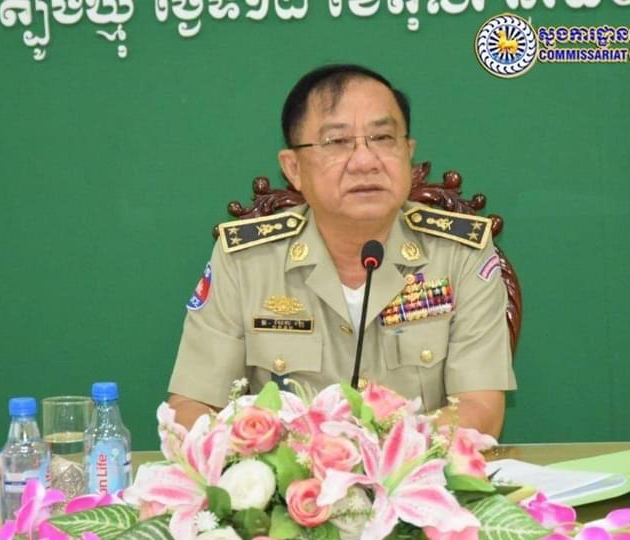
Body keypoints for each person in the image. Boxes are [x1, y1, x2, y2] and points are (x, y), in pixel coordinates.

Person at [167, 64, 516, 436]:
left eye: (383, 138)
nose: (365, 161)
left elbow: (480, 410)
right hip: (291, 471)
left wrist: (382, 457)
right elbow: (191, 408)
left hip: (416, 468)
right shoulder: (245, 260)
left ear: (408, 153)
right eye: (337, 142)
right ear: (293, 168)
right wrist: (296, 458)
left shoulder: (461, 253)